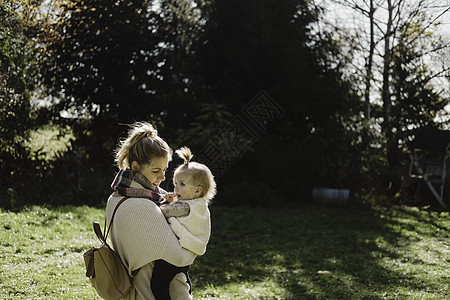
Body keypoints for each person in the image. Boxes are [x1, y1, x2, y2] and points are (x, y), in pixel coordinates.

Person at [105, 121, 196, 300]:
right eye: (156, 171)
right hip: (150, 294)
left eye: (164, 169)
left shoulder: (116, 197)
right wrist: (197, 243)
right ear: (136, 167)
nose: (162, 177)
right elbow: (180, 258)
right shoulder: (143, 206)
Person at [151, 147, 216, 299]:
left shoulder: (185, 207)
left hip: (175, 254)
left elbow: (162, 212)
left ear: (197, 191)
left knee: (158, 284)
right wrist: (171, 201)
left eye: (182, 184)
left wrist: (162, 203)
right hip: (188, 254)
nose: (176, 187)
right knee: (182, 275)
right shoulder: (198, 204)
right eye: (175, 183)